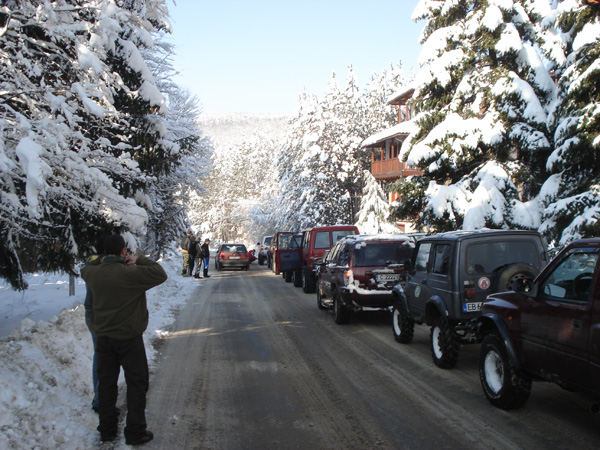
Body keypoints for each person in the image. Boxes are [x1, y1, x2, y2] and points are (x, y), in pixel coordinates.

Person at [81, 235, 168, 446]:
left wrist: (101, 260)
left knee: (107, 384)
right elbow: (160, 273)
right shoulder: (131, 274)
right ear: (123, 251)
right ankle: (135, 431)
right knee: (136, 384)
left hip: (104, 339)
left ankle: (107, 429)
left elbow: (86, 267)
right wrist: (137, 259)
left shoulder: (93, 274)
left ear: (103, 254)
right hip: (129, 339)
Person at [83, 237, 104, 413]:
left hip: (92, 311)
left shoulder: (91, 265)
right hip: (98, 313)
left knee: (101, 355)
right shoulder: (99, 267)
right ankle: (100, 399)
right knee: (102, 357)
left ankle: (100, 398)